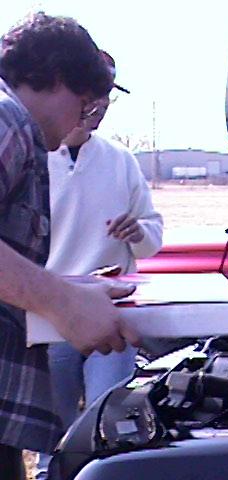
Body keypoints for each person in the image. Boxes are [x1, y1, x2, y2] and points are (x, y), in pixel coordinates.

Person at [0, 13, 139, 480]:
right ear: (57, 80)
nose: (83, 122)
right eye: (83, 107)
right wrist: (62, 302)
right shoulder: (7, 118)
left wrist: (71, 292)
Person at [35, 52, 163, 478]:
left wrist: (137, 232)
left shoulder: (120, 160)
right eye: (94, 97)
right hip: (48, 315)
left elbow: (152, 237)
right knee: (52, 431)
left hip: (112, 316)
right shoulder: (32, 155)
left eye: (108, 98)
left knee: (105, 421)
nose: (100, 107)